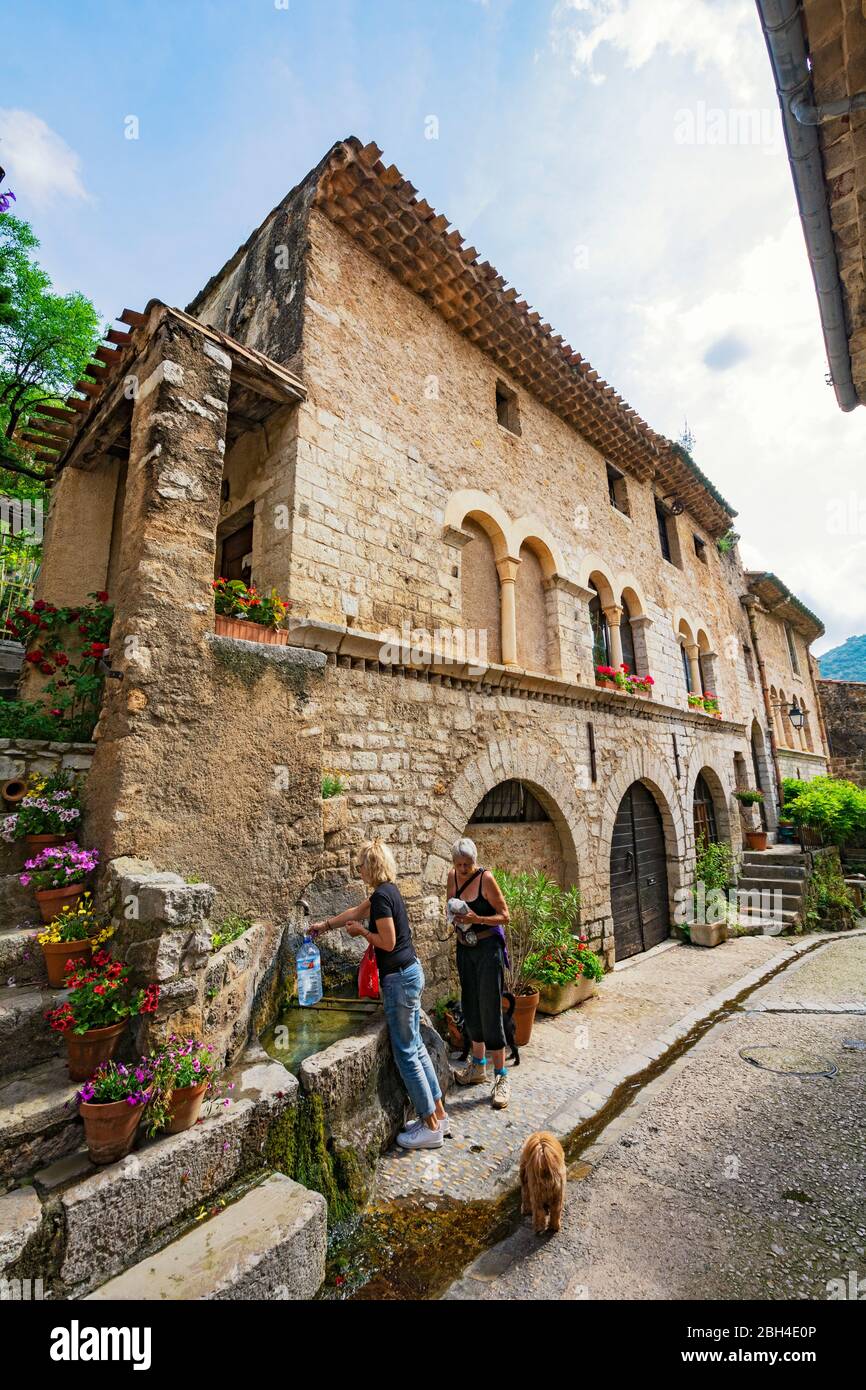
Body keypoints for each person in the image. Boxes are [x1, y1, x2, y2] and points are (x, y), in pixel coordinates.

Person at [310, 838, 448, 1151]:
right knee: (415, 1045)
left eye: (360, 864)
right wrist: (324, 926)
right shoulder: (387, 892)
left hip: (399, 980)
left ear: (371, 866)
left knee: (406, 1051)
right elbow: (354, 912)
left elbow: (387, 941)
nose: (357, 869)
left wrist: (361, 932)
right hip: (410, 973)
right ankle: (438, 1114)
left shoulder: (383, 899)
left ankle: (429, 1127)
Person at [448, 836, 512, 1110]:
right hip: (465, 949)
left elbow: (505, 915)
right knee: (472, 1008)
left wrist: (477, 919)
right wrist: (455, 919)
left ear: (475, 861)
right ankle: (478, 1068)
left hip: (488, 950)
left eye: (468, 864)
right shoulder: (452, 876)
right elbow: (449, 904)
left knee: (489, 1009)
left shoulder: (486, 879)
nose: (463, 869)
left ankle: (501, 1077)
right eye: (459, 864)